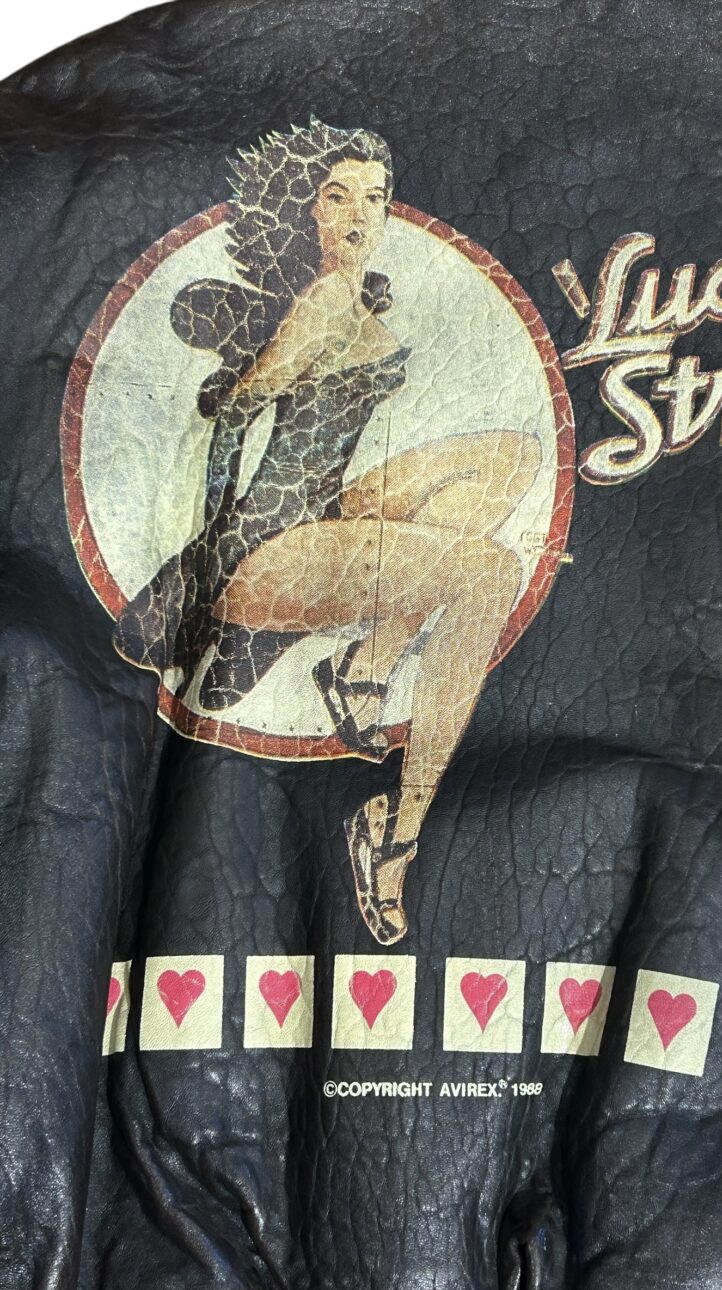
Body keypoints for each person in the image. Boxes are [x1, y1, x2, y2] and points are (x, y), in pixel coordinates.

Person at [112, 118, 542, 945]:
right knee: (487, 572)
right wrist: (212, 539)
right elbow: (241, 405)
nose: (359, 214)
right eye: (337, 196)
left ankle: (364, 669)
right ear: (306, 209)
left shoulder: (352, 293)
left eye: (375, 198)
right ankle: (397, 835)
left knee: (510, 458)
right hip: (270, 549)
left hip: (324, 512)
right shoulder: (325, 298)